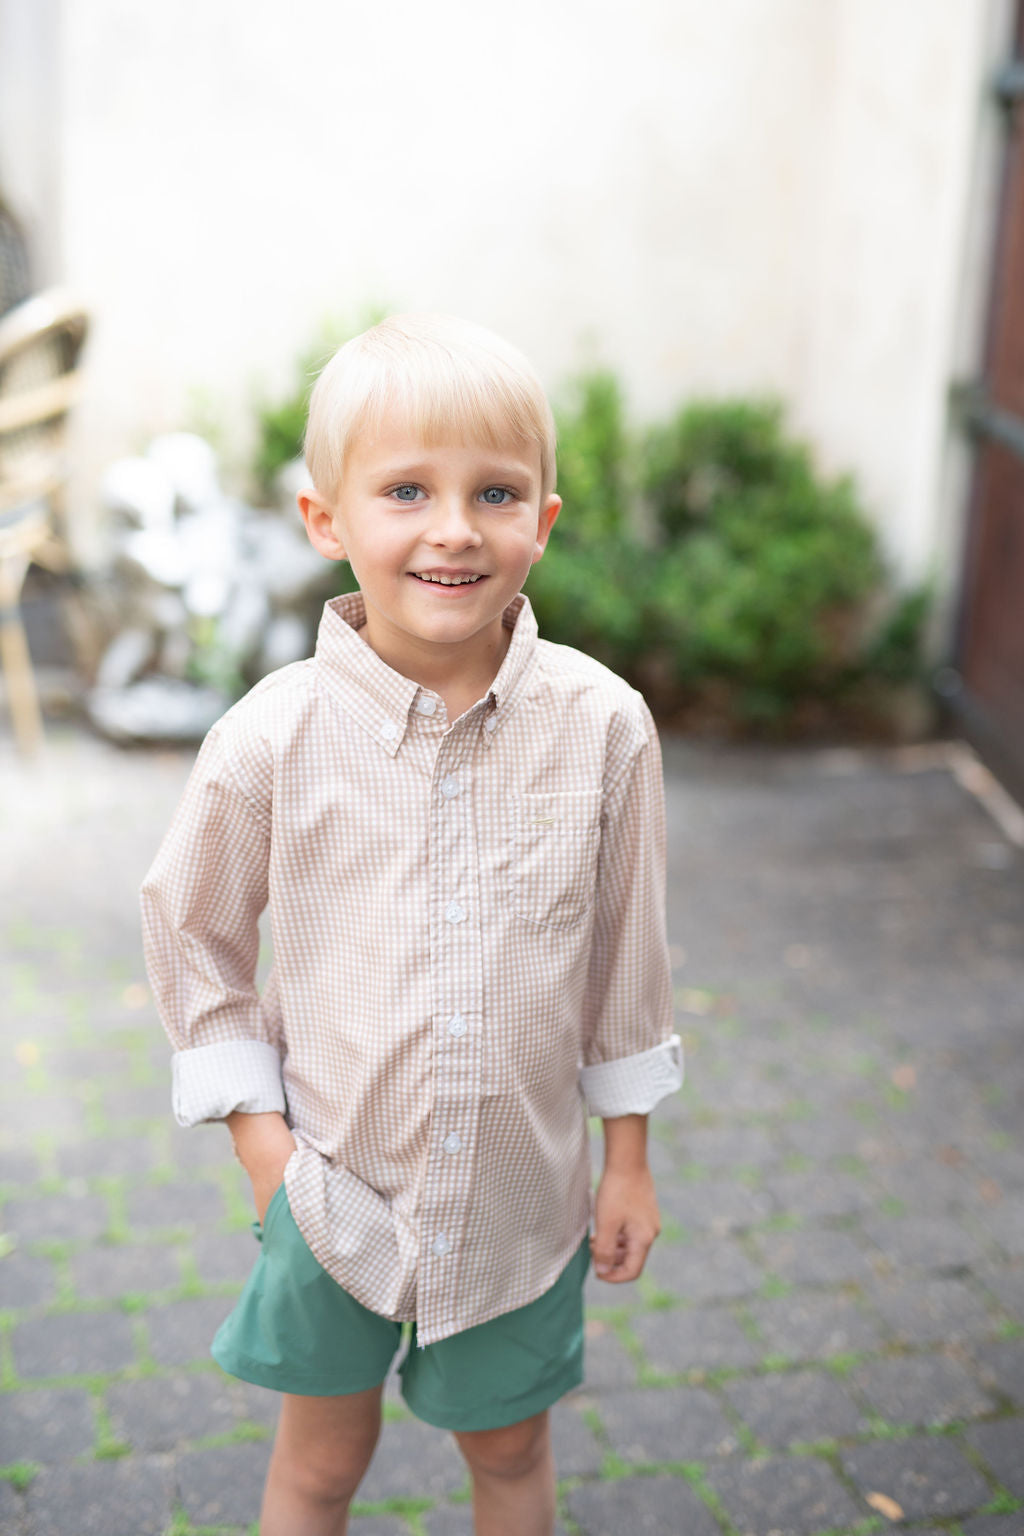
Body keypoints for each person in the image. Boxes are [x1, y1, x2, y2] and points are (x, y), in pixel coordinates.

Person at [141, 312, 682, 1536]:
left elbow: (624, 961)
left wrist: (629, 1160)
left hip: (521, 1205)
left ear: (540, 521)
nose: (452, 527)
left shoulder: (604, 728)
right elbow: (195, 935)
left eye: (493, 492)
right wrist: (267, 1159)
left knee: (507, 1450)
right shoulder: (270, 739)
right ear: (327, 521)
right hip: (330, 1193)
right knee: (320, 1467)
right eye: (404, 491)